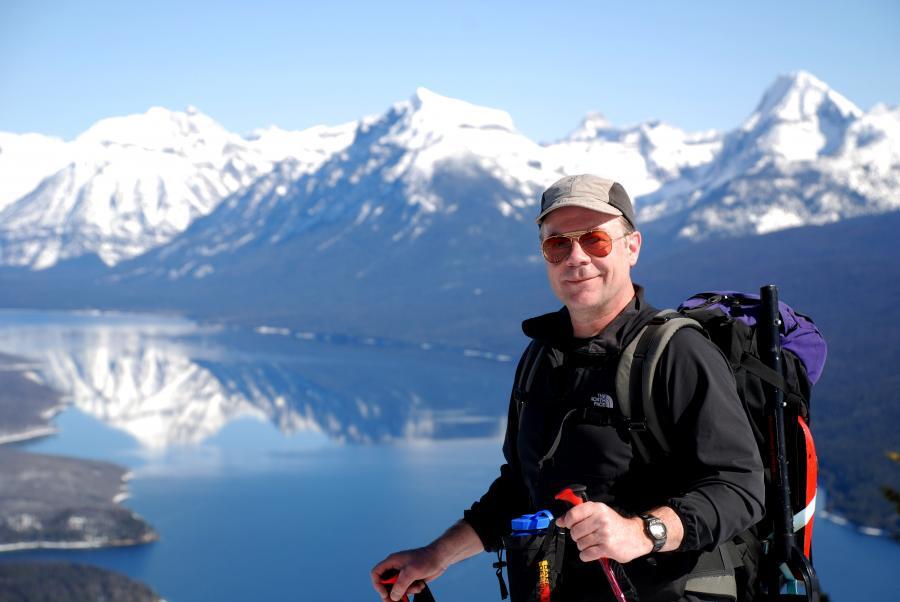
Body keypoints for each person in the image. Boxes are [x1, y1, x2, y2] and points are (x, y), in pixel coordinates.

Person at [371, 174, 765, 601]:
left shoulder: (675, 354)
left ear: (632, 247)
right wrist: (436, 555)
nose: (575, 257)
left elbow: (741, 487)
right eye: (557, 244)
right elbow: (522, 489)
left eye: (595, 240)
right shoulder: (541, 357)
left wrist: (642, 531)